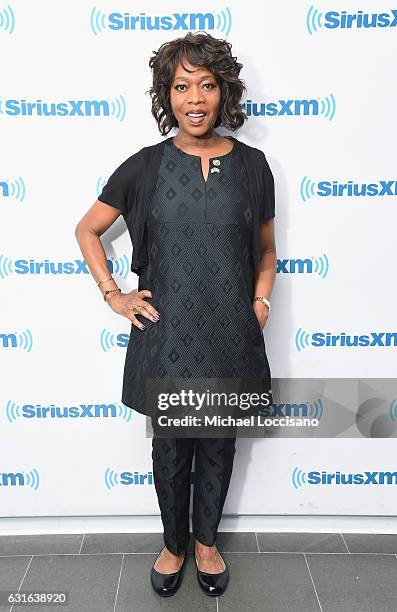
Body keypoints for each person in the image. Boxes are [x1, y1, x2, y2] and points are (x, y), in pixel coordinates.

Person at [75, 31, 276, 598]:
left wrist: (260, 302)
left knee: (218, 443)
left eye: (206, 85)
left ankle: (207, 544)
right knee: (171, 446)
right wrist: (113, 293)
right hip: (167, 337)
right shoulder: (144, 166)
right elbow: (87, 229)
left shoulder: (255, 166)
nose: (195, 98)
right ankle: (173, 544)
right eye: (181, 85)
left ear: (223, 92)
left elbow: (265, 249)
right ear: (166, 94)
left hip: (230, 336)